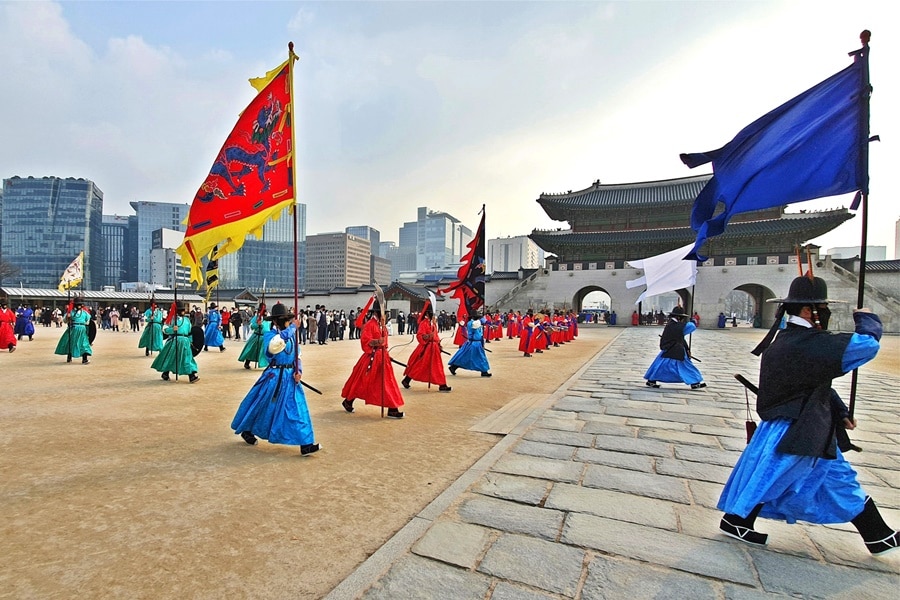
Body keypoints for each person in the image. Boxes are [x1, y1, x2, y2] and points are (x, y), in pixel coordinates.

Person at [718, 275, 897, 555]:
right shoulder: (807, 342)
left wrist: (840, 411)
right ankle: (737, 519)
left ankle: (878, 535)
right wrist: (866, 319)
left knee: (835, 478)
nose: (826, 313)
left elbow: (814, 382)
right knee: (776, 478)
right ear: (806, 310)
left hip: (803, 424)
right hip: (799, 429)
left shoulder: (787, 339)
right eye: (822, 307)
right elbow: (867, 345)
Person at [231, 303, 320, 455]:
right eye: (284, 320)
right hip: (274, 378)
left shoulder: (292, 336)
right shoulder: (270, 336)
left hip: (291, 378)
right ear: (276, 321)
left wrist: (298, 371)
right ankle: (247, 429)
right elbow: (274, 347)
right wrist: (293, 328)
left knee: (297, 409)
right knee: (262, 406)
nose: (287, 322)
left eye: (288, 319)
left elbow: (297, 356)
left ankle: (305, 443)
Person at [340, 298, 405, 418]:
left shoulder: (382, 326)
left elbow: (385, 342)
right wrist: (377, 342)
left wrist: (385, 351)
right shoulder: (370, 324)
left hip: (383, 358)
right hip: (372, 358)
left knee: (387, 382)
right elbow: (365, 341)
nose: (384, 315)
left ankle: (392, 408)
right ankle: (348, 401)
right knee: (362, 382)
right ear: (376, 313)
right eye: (382, 313)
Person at [643, 305, 706, 389]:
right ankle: (695, 382)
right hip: (674, 349)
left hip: (671, 348)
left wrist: (687, 349)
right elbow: (691, 327)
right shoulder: (674, 325)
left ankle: (651, 380)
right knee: (686, 366)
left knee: (660, 365)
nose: (683, 320)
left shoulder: (673, 324)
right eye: (682, 318)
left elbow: (680, 337)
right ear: (678, 317)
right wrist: (693, 322)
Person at [401, 303, 451, 392]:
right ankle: (407, 379)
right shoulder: (423, 323)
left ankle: (442, 384)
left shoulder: (433, 324)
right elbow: (419, 335)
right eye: (431, 313)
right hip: (426, 348)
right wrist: (428, 336)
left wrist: (438, 344)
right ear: (427, 314)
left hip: (434, 348)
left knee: (437, 366)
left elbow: (436, 336)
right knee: (420, 366)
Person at [151, 303, 199, 383]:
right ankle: (165, 373)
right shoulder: (172, 319)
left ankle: (192, 375)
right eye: (181, 310)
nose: (183, 312)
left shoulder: (187, 320)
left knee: (187, 358)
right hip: (175, 341)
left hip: (185, 341)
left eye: (183, 310)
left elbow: (190, 332)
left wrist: (190, 341)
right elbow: (165, 330)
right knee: (171, 358)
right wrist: (172, 329)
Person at [448, 311, 492, 377]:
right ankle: (484, 371)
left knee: (468, 356)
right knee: (480, 357)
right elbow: (478, 324)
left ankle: (454, 367)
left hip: (476, 342)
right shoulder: (472, 323)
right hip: (474, 343)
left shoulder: (474, 323)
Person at [54, 297, 93, 364]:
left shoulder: (85, 313)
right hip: (73, 329)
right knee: (71, 343)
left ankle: (84, 359)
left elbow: (88, 322)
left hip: (82, 330)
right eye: (78, 304)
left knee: (84, 344)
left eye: (80, 304)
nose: (79, 306)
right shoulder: (71, 312)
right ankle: (69, 357)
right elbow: (65, 321)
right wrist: (68, 317)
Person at [239, 304, 270, 369]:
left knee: (264, 351)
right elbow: (252, 326)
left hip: (264, 337)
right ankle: (247, 362)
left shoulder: (268, 319)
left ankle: (265, 364)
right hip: (256, 336)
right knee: (251, 350)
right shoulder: (256, 318)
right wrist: (257, 324)